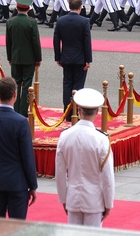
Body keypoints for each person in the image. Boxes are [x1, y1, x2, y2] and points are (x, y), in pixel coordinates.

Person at [0, 77, 38, 220]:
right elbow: (27, 157)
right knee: (16, 226)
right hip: (17, 182)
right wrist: (33, 185)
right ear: (15, 95)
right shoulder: (21, 122)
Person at [55, 88, 114, 227]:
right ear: (97, 112)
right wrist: (108, 202)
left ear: (79, 110)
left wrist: (64, 199)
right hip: (94, 200)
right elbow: (107, 176)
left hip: (73, 197)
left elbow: (60, 173)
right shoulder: (101, 139)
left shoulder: (65, 136)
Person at [53, 0, 93, 122]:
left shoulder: (61, 20)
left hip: (66, 56)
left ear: (69, 6)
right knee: (78, 85)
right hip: (80, 58)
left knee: (67, 85)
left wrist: (58, 56)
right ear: (80, 7)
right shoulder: (84, 21)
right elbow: (87, 42)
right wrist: (88, 59)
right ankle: (76, 111)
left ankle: (68, 112)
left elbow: (56, 40)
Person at [5, 0, 42, 116]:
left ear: (17, 8)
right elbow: (36, 42)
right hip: (29, 59)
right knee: (27, 85)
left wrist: (10, 57)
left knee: (15, 85)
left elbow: (8, 43)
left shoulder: (10, 22)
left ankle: (15, 109)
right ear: (29, 9)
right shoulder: (32, 23)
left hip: (15, 57)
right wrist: (38, 58)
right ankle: (23, 110)